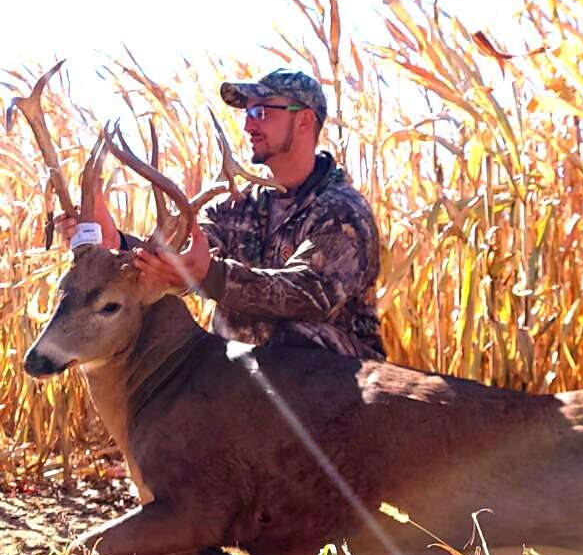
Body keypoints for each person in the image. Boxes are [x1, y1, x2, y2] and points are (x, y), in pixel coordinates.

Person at [61, 69, 385, 361]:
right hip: (243, 385)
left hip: (339, 393)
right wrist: (115, 243)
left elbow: (306, 294)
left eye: (260, 112)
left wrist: (211, 276)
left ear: (303, 121)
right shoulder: (234, 203)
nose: (248, 125)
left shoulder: (342, 212)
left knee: (297, 340)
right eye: (247, 113)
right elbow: (184, 257)